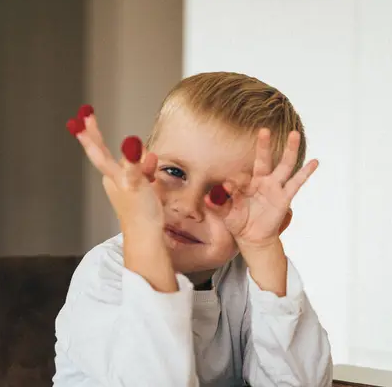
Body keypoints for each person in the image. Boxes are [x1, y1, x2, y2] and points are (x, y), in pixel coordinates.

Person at [53, 72, 333, 386]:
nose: (187, 207)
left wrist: (263, 250)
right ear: (146, 164)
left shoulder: (247, 282)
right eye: (174, 172)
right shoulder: (102, 273)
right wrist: (144, 233)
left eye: (222, 195)